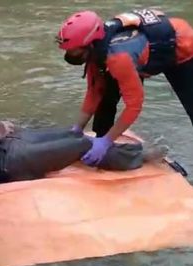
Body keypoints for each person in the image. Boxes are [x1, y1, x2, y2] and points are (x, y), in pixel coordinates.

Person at [56, 9, 193, 166]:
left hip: (182, 47)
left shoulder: (118, 58)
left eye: (73, 51)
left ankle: (107, 145)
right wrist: (77, 129)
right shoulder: (96, 51)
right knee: (106, 98)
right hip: (140, 53)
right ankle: (105, 151)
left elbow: (134, 106)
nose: (70, 55)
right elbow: (95, 92)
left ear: (90, 45)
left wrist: (106, 141)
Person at [0, 122, 168, 183]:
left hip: (5, 143)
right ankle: (138, 156)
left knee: (73, 134)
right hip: (6, 161)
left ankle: (120, 151)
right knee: (81, 146)